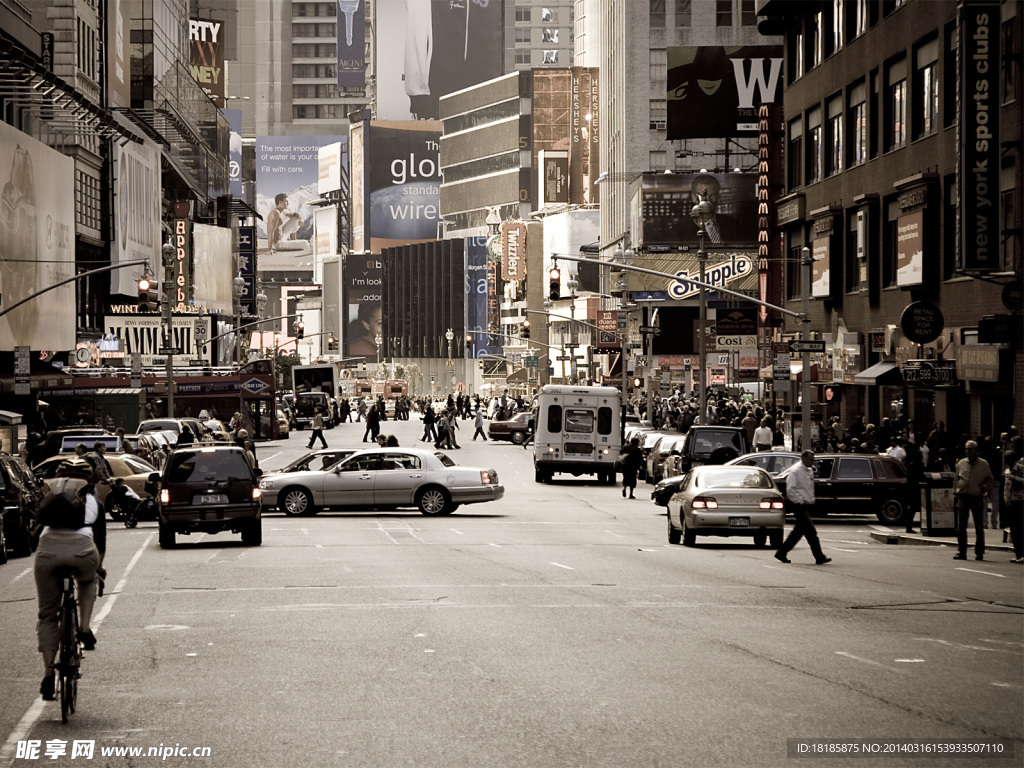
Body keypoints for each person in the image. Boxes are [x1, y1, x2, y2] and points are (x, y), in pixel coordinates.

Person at [34, 458, 106, 701]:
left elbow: (37, 527)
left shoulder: (49, 495)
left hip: (48, 550)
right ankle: (84, 628)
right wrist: (100, 568)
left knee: (47, 614)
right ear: (90, 480)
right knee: (87, 581)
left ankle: (47, 674)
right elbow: (101, 543)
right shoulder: (94, 502)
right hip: (83, 550)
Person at [775, 450, 831, 564]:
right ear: (804, 458)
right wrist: (800, 501)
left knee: (798, 532)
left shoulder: (808, 470)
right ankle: (819, 556)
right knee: (811, 532)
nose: (812, 462)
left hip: (806, 503)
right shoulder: (795, 471)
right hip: (799, 505)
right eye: (810, 460)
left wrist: (810, 500)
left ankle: (781, 552)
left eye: (813, 460)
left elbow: (808, 487)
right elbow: (791, 490)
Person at [953, 440, 995, 561]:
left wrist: (984, 486)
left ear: (976, 451)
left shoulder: (983, 464)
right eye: (966, 449)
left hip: (976, 497)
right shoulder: (961, 463)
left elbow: (990, 479)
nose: (968, 451)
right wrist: (955, 492)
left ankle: (979, 552)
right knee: (961, 527)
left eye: (970, 449)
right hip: (963, 497)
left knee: (979, 526)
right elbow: (956, 479)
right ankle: (961, 551)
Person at [1002, 451, 1024, 563]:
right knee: (1014, 530)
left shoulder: (1021, 468)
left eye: (1009, 461)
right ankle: (1018, 554)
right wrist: (1006, 499)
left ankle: (1022, 553)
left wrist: (1015, 478)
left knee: (1021, 528)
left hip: (1020, 501)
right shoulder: (1007, 471)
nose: (1008, 464)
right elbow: (1006, 487)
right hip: (1011, 502)